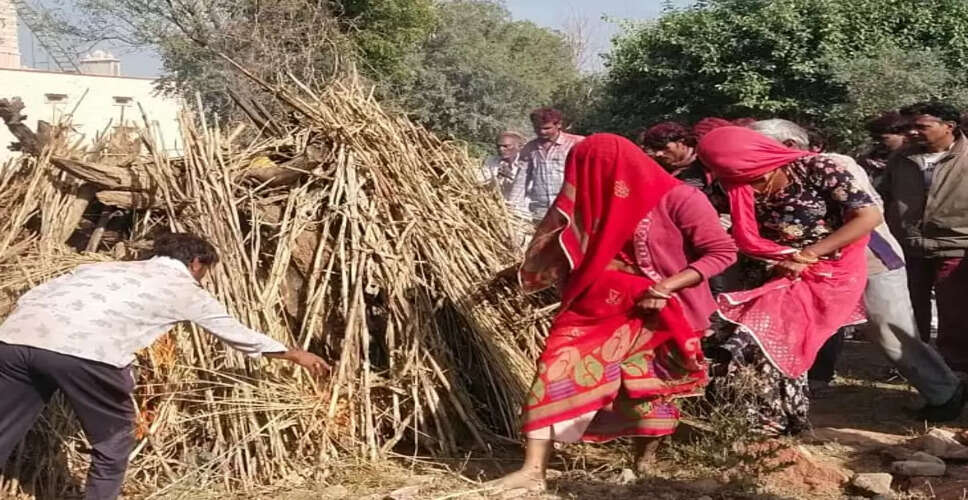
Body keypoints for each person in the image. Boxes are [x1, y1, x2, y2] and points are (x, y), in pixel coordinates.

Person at [488, 134, 736, 494]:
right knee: (554, 370)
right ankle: (533, 470)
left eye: (598, 171)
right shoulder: (590, 201)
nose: (587, 180)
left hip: (660, 311)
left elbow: (721, 252)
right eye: (582, 172)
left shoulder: (679, 196)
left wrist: (666, 286)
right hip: (593, 308)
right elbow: (561, 245)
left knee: (646, 386)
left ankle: (644, 465)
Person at [0, 233, 328, 500]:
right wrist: (291, 353)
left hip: (14, 340)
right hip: (86, 352)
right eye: (204, 271)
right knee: (113, 442)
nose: (203, 277)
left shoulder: (102, 268)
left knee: (3, 427)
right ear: (196, 263)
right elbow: (232, 331)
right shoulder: (182, 288)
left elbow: (33, 296)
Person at [750, 119, 964, 420]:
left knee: (889, 329)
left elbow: (865, 216)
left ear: (790, 146)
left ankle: (945, 392)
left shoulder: (831, 164)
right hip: (817, 265)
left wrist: (807, 250)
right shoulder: (763, 176)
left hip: (870, 258)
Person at [697, 126, 881, 435]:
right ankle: (752, 421)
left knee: (772, 344)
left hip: (823, 270)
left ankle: (773, 425)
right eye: (737, 181)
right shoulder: (727, 185)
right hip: (765, 271)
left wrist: (807, 254)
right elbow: (696, 213)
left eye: (754, 179)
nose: (749, 190)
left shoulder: (816, 168)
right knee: (742, 344)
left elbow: (868, 217)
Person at [885, 102, 968, 371]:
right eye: (908, 127)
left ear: (949, 127)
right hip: (906, 245)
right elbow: (884, 196)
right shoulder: (901, 158)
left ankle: (954, 369)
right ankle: (915, 367)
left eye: (921, 126)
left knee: (955, 312)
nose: (912, 132)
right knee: (907, 310)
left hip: (956, 246)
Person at [507, 108, 584, 224]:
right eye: (537, 128)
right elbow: (522, 179)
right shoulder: (530, 148)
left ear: (559, 125)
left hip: (571, 206)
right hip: (541, 209)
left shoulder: (577, 143)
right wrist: (511, 206)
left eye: (546, 128)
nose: (542, 132)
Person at [639, 122, 729, 214]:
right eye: (655, 149)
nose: (659, 154)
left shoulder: (707, 163)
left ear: (681, 143)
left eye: (664, 148)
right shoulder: (660, 168)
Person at [858, 112, 912, 196]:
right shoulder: (866, 162)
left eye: (883, 139)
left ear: (904, 136)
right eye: (874, 138)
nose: (878, 143)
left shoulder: (912, 162)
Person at [480, 131, 527, 206]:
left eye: (506, 146)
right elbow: (482, 183)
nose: (501, 149)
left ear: (520, 147)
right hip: (497, 206)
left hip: (520, 209)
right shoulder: (491, 161)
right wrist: (496, 179)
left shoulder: (527, 164)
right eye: (498, 146)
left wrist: (510, 176)